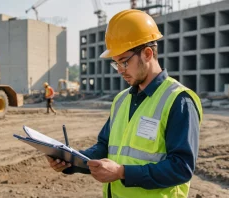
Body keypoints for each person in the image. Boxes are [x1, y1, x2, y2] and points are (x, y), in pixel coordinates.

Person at [45, 9, 203, 198]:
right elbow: (104, 147)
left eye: (124, 62)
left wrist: (122, 172)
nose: (119, 70)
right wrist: (71, 162)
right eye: (115, 63)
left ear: (147, 53)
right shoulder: (122, 99)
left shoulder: (178, 100)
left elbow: (181, 168)